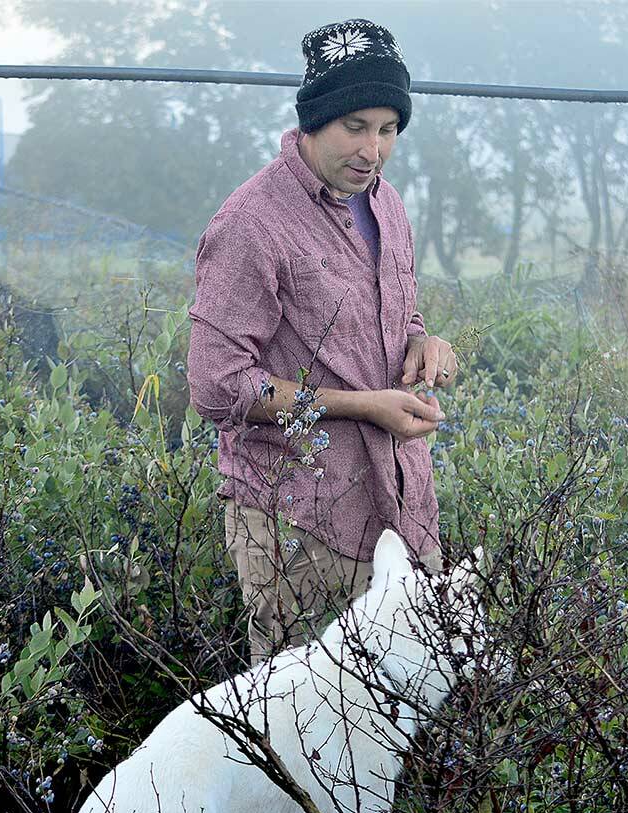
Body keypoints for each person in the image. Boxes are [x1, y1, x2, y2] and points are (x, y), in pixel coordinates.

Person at [186, 18, 459, 664]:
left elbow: (400, 312)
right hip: (301, 524)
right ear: (313, 121)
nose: (373, 149)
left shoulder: (385, 204)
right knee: (304, 733)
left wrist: (425, 343)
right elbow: (215, 384)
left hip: (403, 508)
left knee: (413, 709)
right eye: (355, 126)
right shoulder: (252, 223)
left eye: (388, 129)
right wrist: (362, 404)